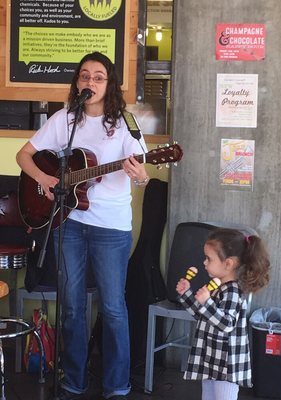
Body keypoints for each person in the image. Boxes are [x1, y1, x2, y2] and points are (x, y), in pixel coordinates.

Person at [16, 51, 149, 400]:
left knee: (113, 307)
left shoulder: (125, 123)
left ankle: (117, 385)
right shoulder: (66, 119)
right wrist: (45, 178)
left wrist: (141, 176)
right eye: (85, 75)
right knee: (72, 305)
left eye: (99, 76)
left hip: (111, 227)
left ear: (110, 83)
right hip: (69, 222)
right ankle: (74, 380)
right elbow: (23, 155)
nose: (91, 81)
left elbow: (142, 174)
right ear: (78, 82)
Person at [176, 228, 270, 400]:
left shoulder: (232, 291)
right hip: (212, 359)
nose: (204, 263)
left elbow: (226, 324)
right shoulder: (218, 287)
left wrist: (207, 302)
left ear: (228, 263)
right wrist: (187, 295)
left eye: (208, 258)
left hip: (226, 364)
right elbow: (203, 317)